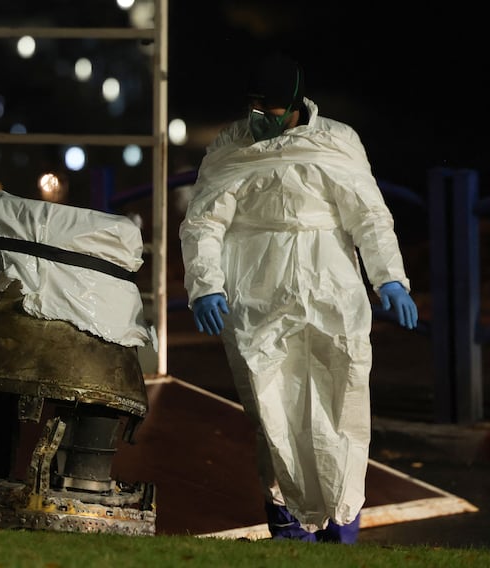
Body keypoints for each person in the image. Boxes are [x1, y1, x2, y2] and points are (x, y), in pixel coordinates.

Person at [179, 51, 418, 543]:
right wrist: (206, 284)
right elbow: (204, 221)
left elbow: (368, 216)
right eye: (253, 106)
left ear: (295, 103)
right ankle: (287, 518)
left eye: (269, 107)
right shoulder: (231, 146)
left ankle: (343, 516)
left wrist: (389, 277)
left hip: (330, 285)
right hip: (256, 289)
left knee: (343, 397)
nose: (260, 117)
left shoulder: (336, 142)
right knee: (272, 408)